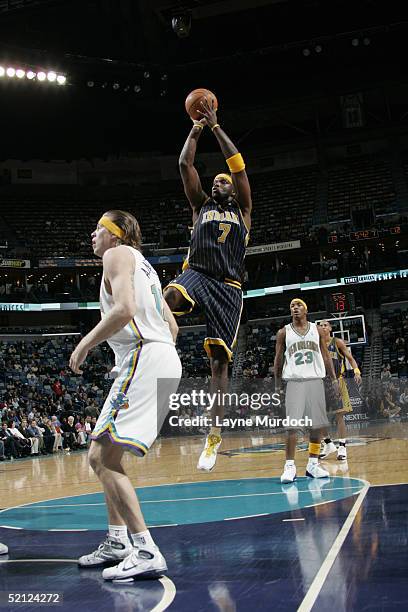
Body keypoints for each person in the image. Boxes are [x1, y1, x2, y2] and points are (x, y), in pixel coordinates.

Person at [70, 210, 181, 582]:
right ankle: (118, 541)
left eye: (98, 228)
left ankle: (145, 549)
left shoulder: (115, 255)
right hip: (163, 356)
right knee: (109, 456)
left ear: (115, 236)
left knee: (100, 456)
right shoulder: (147, 266)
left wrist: (85, 344)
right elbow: (174, 325)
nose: (92, 234)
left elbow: (124, 310)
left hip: (145, 354)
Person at [164, 97, 252, 471]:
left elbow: (240, 167)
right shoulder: (199, 207)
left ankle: (213, 438)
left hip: (229, 288)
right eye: (214, 180)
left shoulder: (243, 210)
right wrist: (197, 126)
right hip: (197, 274)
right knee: (167, 297)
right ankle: (153, 352)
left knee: (219, 366)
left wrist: (217, 126)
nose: (218, 182)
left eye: (223, 180)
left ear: (231, 189)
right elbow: (185, 163)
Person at [274, 299, 340, 483]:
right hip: (294, 382)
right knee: (292, 426)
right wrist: (277, 385)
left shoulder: (317, 330)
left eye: (299, 305)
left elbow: (326, 356)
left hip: (315, 381)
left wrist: (333, 379)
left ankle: (312, 465)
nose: (295, 308)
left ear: (306, 309)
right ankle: (289, 466)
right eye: (292, 306)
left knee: (316, 426)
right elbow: (278, 360)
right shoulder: (283, 332)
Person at [317, 320, 362, 461]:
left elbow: (350, 358)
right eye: (320, 325)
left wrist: (356, 371)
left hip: (338, 381)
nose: (323, 327)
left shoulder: (337, 342)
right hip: (321, 383)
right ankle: (328, 444)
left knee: (339, 416)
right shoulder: (316, 344)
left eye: (325, 325)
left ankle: (342, 447)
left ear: (330, 328)